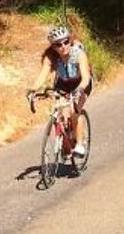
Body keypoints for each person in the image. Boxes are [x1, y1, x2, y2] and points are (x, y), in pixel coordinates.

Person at [27, 25, 92, 156]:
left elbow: (86, 77)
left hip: (81, 83)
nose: (63, 46)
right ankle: (66, 138)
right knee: (61, 110)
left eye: (66, 42)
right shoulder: (51, 57)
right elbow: (42, 76)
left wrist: (79, 90)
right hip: (62, 83)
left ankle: (79, 144)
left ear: (70, 40)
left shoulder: (78, 54)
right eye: (58, 44)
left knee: (74, 111)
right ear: (53, 47)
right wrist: (32, 90)